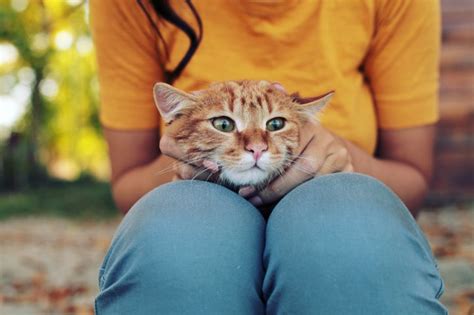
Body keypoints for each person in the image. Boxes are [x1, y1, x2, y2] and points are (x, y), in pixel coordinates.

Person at [90, 0, 447, 314]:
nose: (255, 144)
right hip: (191, 200)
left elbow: (412, 179)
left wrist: (342, 157)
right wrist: (188, 165)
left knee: (348, 220)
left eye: (273, 125)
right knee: (178, 232)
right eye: (227, 124)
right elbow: (127, 182)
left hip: (335, 195)